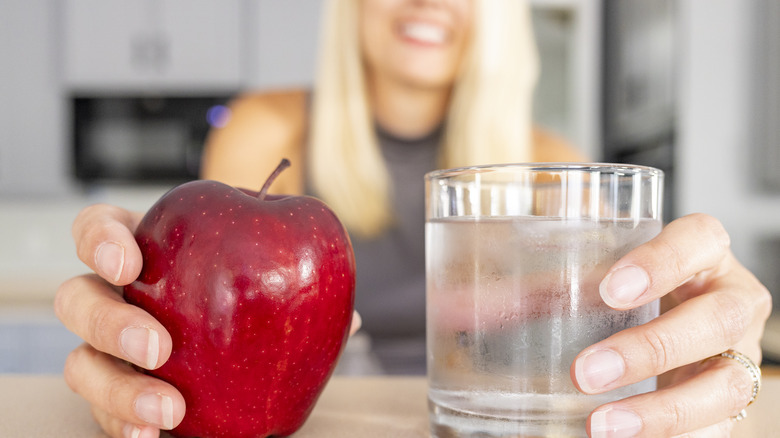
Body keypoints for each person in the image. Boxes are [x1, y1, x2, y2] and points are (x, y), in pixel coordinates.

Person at [55, 1, 771, 438]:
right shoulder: (265, 130)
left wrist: (709, 338)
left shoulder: (556, 166)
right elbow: (212, 310)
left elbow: (594, 341)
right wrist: (143, 301)